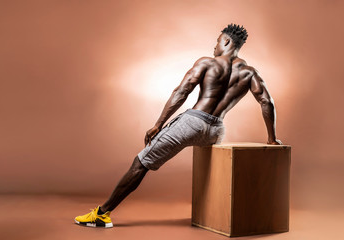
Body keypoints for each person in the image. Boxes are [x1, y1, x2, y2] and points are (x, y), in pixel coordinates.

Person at [74, 24, 282, 228]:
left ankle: (101, 214)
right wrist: (271, 139)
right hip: (217, 130)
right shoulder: (249, 72)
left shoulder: (208, 63)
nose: (215, 46)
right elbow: (267, 102)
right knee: (213, 173)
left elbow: (181, 92)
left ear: (226, 41)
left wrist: (158, 124)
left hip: (193, 123)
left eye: (217, 41)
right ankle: (217, 220)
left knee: (141, 162)